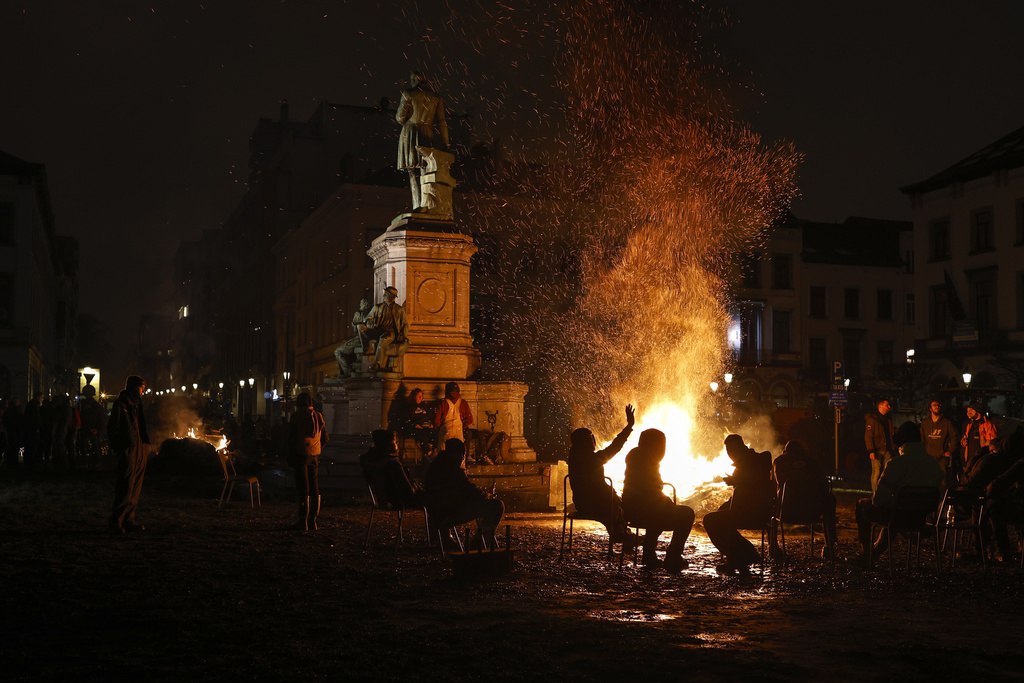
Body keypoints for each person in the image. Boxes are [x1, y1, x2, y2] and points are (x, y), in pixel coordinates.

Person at [850, 441, 944, 568]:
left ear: (900, 444)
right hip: (920, 519)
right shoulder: (934, 465)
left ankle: (867, 554)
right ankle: (878, 550)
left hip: (899, 516)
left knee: (863, 505)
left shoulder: (896, 463)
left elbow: (878, 500)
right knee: (898, 511)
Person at [621, 429, 695, 572]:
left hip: (634, 508)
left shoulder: (636, 455)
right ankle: (673, 555)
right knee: (686, 514)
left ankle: (649, 552)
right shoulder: (644, 458)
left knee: (661, 508)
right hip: (643, 509)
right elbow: (654, 486)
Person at [703, 434, 774, 575]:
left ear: (740, 448)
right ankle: (739, 555)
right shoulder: (743, 464)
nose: (730, 455)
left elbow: (753, 481)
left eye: (731, 450)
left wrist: (736, 480)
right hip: (743, 508)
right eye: (728, 451)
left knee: (711, 520)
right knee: (717, 517)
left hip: (753, 510)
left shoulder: (760, 459)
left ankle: (744, 554)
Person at [567, 404, 636, 548]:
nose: (593, 442)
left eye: (592, 438)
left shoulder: (575, 457)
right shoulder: (590, 460)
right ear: (582, 444)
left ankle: (623, 533)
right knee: (621, 504)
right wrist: (629, 426)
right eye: (589, 439)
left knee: (615, 501)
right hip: (594, 504)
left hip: (583, 502)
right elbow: (614, 448)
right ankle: (621, 534)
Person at [424, 438, 503, 549]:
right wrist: (487, 495)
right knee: (497, 506)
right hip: (449, 512)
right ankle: (479, 542)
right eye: (463, 455)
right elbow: (470, 491)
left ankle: (446, 537)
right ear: (459, 454)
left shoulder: (436, 466)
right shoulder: (453, 470)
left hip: (436, 511)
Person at [772, 440, 837, 560]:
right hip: (812, 512)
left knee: (771, 501)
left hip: (786, 512)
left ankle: (773, 547)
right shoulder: (813, 463)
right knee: (830, 500)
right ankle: (829, 546)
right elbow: (824, 486)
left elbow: (773, 485)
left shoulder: (779, 461)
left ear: (785, 452)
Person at [396, 70, 449, 212]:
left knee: (413, 171)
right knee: (427, 170)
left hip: (411, 133)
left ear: (414, 79)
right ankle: (428, 204)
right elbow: (442, 122)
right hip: (428, 133)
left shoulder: (408, 93)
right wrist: (446, 143)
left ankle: (418, 205)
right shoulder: (436, 97)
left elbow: (400, 117)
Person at [108, 376, 150, 533]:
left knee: (136, 487)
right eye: (141, 387)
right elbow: (113, 428)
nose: (143, 390)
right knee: (126, 486)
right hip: (129, 449)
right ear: (133, 387)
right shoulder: (121, 404)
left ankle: (129, 519)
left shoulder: (137, 404)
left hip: (139, 448)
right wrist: (121, 450)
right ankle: (116, 521)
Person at [289, 392, 328, 531]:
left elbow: (291, 436)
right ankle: (313, 520)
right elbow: (325, 437)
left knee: (303, 488)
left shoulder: (297, 416)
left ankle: (302, 520)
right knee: (314, 487)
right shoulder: (319, 415)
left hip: (301, 453)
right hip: (315, 454)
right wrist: (317, 447)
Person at [360, 429, 424, 509]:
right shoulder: (393, 465)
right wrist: (416, 485)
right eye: (395, 441)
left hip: (390, 499)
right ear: (387, 445)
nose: (397, 443)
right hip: (402, 501)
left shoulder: (369, 460)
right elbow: (408, 492)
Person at [363, 286, 410, 373]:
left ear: (391, 297)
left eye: (386, 294)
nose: (383, 295)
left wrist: (404, 335)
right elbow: (368, 318)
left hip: (390, 332)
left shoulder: (399, 309)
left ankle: (378, 364)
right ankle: (365, 350)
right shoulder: (377, 307)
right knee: (363, 331)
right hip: (378, 331)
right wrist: (369, 322)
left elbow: (405, 324)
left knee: (383, 339)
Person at [388, 387, 435, 460]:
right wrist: (415, 425)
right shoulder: (408, 406)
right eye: (419, 396)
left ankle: (435, 450)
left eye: (422, 396)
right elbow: (405, 419)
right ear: (414, 396)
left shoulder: (423, 406)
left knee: (433, 432)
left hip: (424, 425)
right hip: (411, 428)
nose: (421, 398)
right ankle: (428, 452)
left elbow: (429, 415)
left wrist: (431, 424)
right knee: (421, 433)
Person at [919, 399, 958, 485]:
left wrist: (950, 451)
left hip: (942, 457)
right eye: (934, 405)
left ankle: (942, 498)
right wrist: (922, 452)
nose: (937, 406)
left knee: (942, 481)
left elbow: (954, 437)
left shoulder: (947, 422)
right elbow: (921, 438)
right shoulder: (925, 423)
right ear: (930, 408)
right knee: (928, 480)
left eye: (939, 405)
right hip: (928, 456)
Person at [334, 295, 372, 377]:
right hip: (368, 339)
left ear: (362, 305)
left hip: (360, 339)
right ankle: (345, 371)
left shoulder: (358, 313)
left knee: (337, 352)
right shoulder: (371, 314)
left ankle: (347, 372)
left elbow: (355, 330)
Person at [864, 398, 895, 494]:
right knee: (876, 472)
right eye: (887, 405)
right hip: (877, 449)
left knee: (887, 473)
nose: (889, 407)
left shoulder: (888, 418)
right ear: (880, 406)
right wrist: (871, 451)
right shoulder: (872, 419)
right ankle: (875, 493)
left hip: (887, 449)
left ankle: (885, 493)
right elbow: (868, 436)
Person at [960, 402, 997, 476]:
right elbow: (964, 438)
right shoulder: (969, 425)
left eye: (971, 411)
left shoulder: (988, 426)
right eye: (967, 411)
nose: (968, 413)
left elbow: (993, 444)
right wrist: (963, 442)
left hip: (980, 461)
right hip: (969, 461)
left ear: (978, 412)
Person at [434, 381, 473, 452]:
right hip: (458, 432)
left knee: (444, 452)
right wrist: (462, 426)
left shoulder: (443, 402)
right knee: (458, 454)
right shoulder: (463, 403)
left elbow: (437, 420)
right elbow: (470, 419)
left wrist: (440, 427)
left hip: (446, 431)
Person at [3, 397, 22, 471]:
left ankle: (12, 463)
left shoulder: (13, 410)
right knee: (13, 448)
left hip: (14, 431)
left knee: (13, 448)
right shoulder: (13, 411)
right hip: (13, 431)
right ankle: (12, 463)